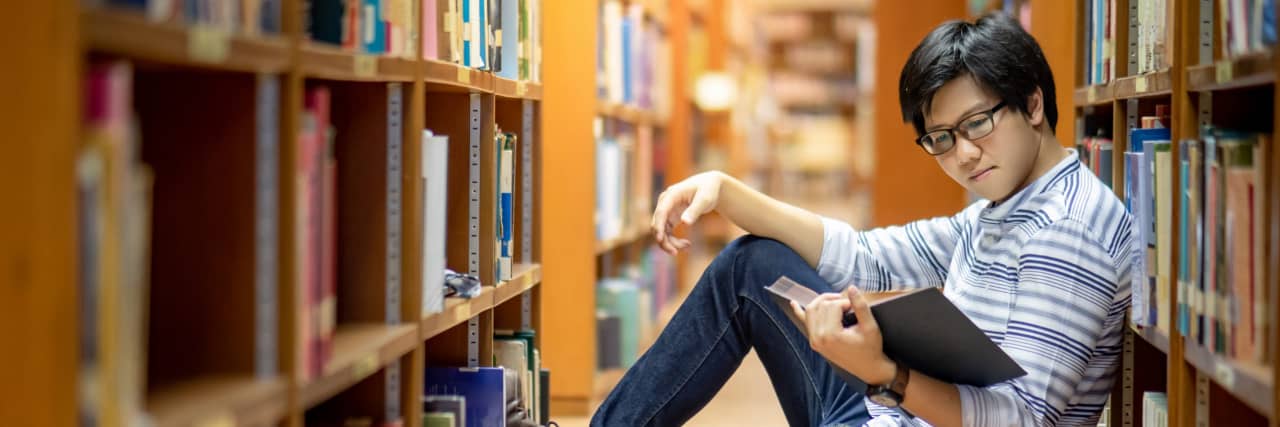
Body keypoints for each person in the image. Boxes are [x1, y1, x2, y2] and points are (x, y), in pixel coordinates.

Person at [591, 12, 1136, 427]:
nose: (965, 155)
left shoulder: (1066, 231)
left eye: (977, 124)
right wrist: (727, 193)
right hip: (893, 413)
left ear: (1033, 105)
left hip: (896, 406)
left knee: (745, 271)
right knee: (750, 263)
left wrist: (887, 374)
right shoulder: (1004, 208)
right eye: (941, 139)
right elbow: (866, 256)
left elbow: (1023, 421)